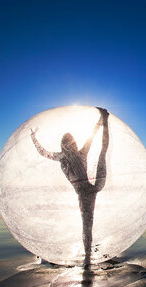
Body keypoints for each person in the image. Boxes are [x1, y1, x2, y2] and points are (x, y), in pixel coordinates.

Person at [30, 107, 109, 266]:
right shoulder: (63, 157)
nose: (69, 144)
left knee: (102, 152)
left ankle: (106, 120)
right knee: (87, 224)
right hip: (86, 192)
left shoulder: (75, 154)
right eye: (67, 141)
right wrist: (33, 138)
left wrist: (100, 122)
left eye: (70, 141)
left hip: (91, 187)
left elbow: (91, 137)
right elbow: (42, 152)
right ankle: (87, 255)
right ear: (64, 144)